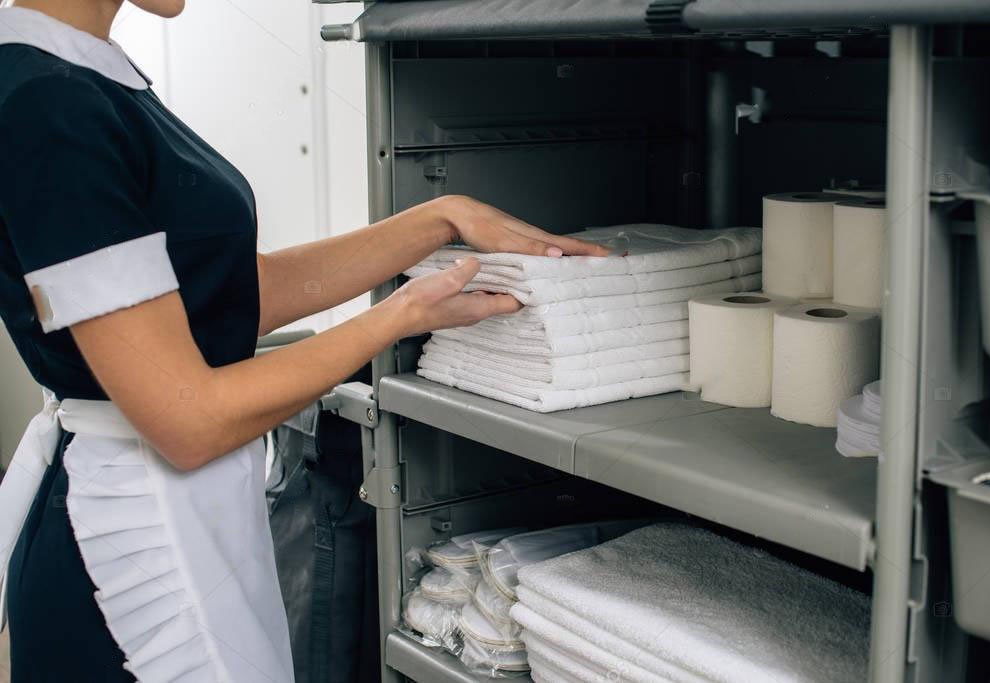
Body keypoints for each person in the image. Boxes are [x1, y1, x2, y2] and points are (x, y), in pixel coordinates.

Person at [0, 1, 608, 680]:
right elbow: (187, 418)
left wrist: (441, 217)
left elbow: (228, 296)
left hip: (179, 505)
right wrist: (397, 316)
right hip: (121, 540)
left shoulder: (85, 75)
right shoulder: (47, 103)